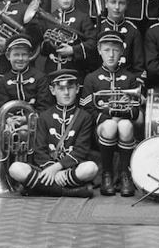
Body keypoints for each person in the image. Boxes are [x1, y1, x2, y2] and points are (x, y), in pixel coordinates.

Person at [8, 69, 97, 197]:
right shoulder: (44, 116)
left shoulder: (84, 117)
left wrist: (58, 168)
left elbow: (81, 151)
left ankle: (38, 188)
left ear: (77, 89)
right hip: (46, 168)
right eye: (61, 88)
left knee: (91, 168)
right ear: (52, 90)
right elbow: (39, 151)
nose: (66, 93)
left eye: (70, 88)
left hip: (70, 169)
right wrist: (51, 169)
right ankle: (68, 191)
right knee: (15, 169)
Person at [80, 31, 143, 197]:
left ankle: (125, 175)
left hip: (124, 131)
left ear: (122, 52)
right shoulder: (91, 78)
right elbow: (87, 110)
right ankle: (106, 174)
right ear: (99, 50)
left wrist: (126, 105)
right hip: (101, 130)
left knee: (125, 124)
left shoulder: (129, 78)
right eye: (107, 50)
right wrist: (110, 116)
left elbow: (136, 111)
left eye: (115, 50)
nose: (111, 54)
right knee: (110, 125)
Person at [40, 0, 97, 77]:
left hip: (75, 70)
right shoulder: (48, 18)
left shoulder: (83, 17)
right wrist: (47, 42)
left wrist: (73, 50)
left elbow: (93, 43)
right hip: (51, 70)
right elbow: (42, 51)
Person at [97, 0, 145, 84]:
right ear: (106, 3)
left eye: (121, 3)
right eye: (113, 2)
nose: (117, 7)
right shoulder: (97, 28)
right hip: (101, 82)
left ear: (127, 5)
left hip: (127, 83)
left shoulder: (133, 30)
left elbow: (138, 66)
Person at [0, 34, 52, 114]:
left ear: (30, 56)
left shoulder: (40, 77)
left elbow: (44, 108)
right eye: (16, 55)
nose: (20, 59)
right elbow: (3, 107)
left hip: (35, 121)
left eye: (24, 55)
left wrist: (26, 119)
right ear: (8, 56)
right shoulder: (3, 81)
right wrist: (9, 119)